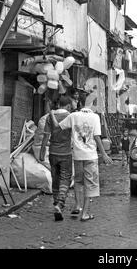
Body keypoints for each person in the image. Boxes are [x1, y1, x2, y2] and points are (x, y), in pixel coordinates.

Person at [50, 93, 113, 221]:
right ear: (92, 104)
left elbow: (57, 126)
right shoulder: (95, 117)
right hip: (90, 156)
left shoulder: (73, 116)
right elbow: (96, 137)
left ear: (80, 103)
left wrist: (51, 113)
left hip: (77, 156)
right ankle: (85, 213)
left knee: (78, 181)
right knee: (90, 184)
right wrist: (104, 154)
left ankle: (77, 206)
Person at [39, 96, 73, 221]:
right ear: (68, 106)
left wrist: (42, 152)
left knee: (55, 178)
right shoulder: (70, 116)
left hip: (53, 152)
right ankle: (60, 203)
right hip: (66, 153)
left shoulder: (49, 117)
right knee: (65, 177)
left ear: (59, 104)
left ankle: (55, 202)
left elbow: (46, 136)